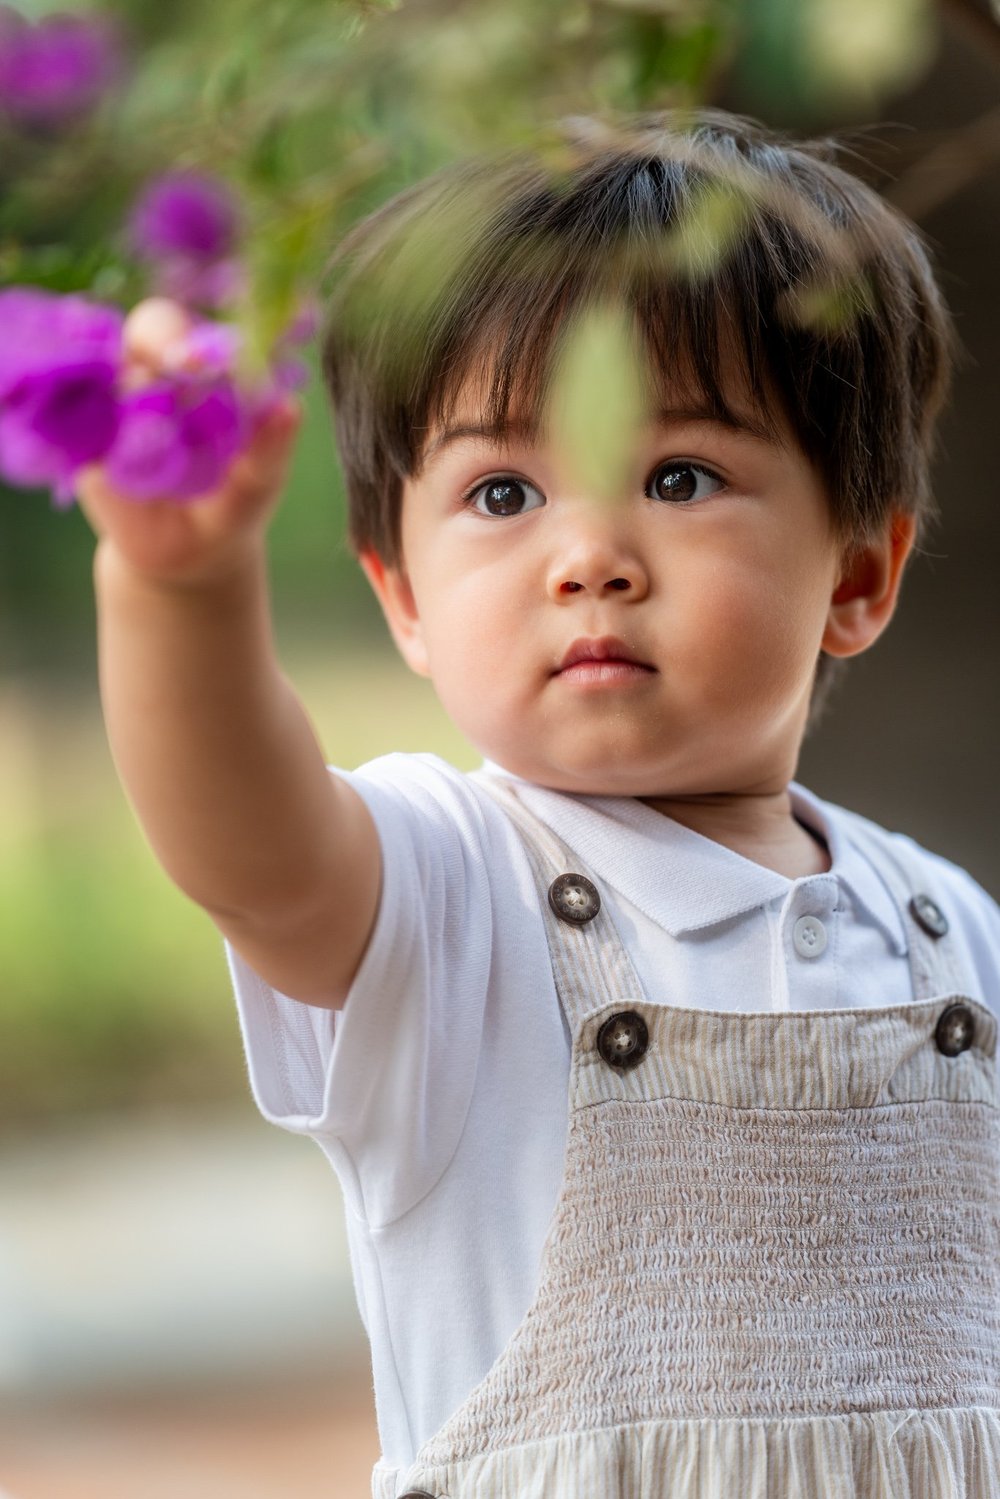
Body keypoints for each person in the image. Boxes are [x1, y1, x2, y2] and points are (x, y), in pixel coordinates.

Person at [77, 109, 1000, 1498]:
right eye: (503, 490)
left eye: (679, 476)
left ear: (860, 575)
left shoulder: (952, 937)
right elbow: (251, 853)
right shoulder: (450, 896)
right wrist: (182, 589)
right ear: (404, 598)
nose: (589, 556)